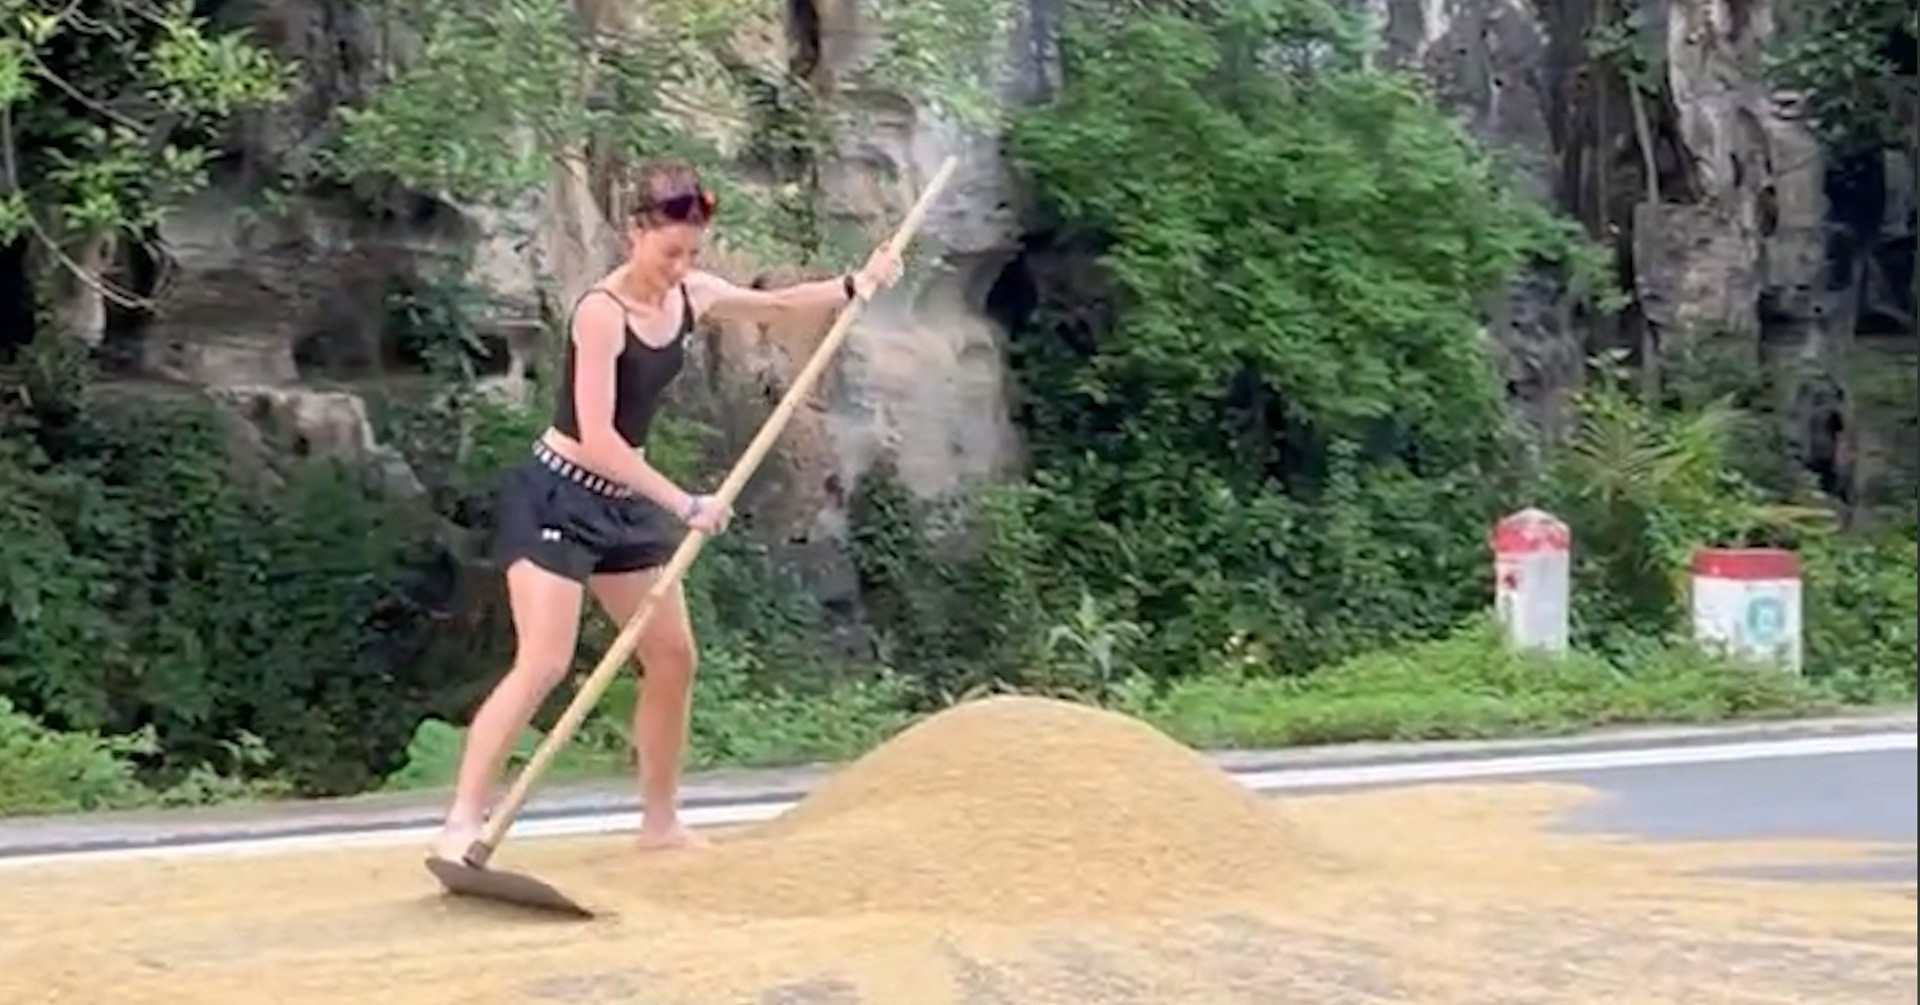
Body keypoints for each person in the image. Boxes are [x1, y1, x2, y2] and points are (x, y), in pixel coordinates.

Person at [429, 158, 902, 860]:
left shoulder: (693, 296)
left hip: (624, 503)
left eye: (692, 252)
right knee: (544, 661)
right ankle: (462, 820)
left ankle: (659, 822)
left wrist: (853, 284)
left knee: (673, 656)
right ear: (635, 233)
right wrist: (685, 502)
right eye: (669, 250)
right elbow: (597, 437)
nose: (681, 266)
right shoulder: (601, 313)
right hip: (559, 492)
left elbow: (772, 307)